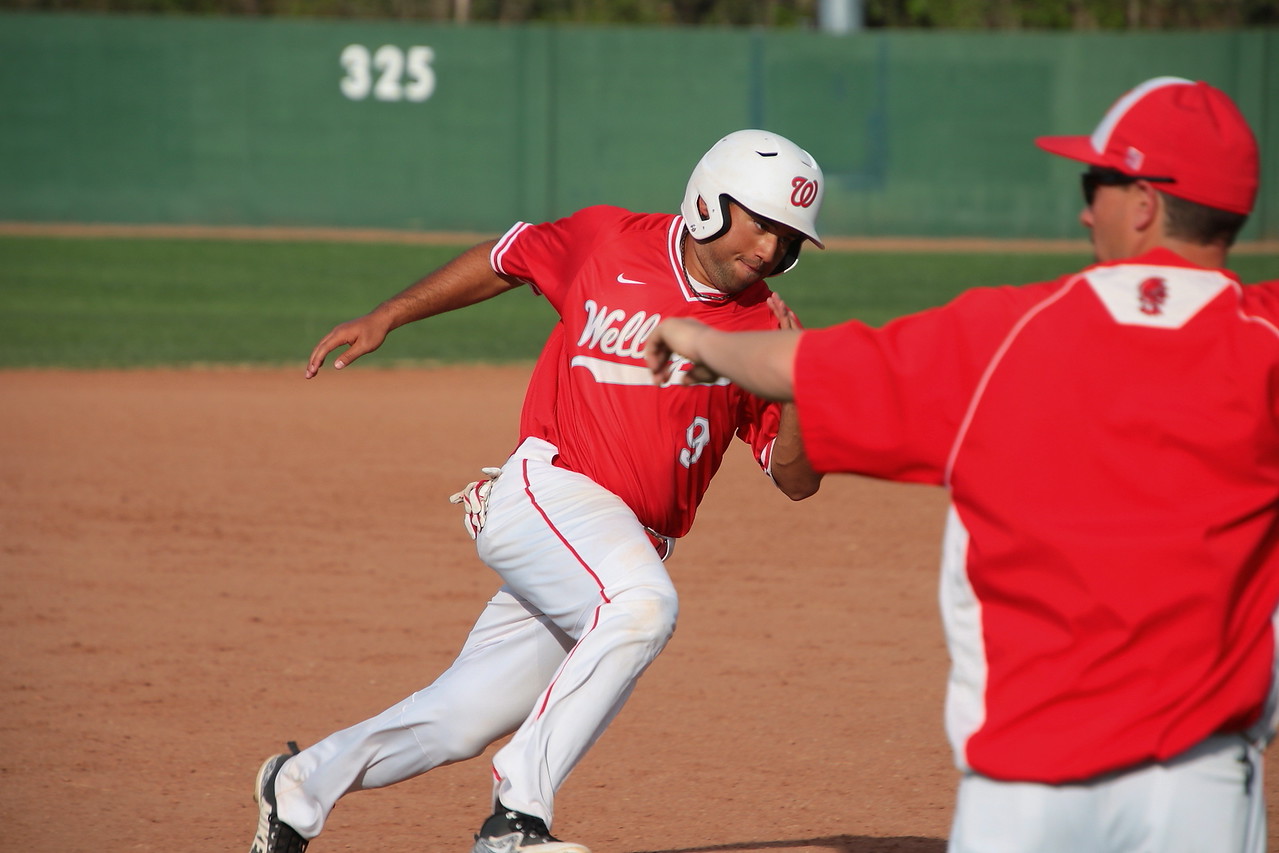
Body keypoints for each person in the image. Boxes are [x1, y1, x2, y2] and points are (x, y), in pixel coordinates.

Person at [643, 77, 1278, 852]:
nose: (1085, 208)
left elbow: (814, 365)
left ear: (1142, 204)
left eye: (1095, 183)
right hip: (1205, 789)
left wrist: (699, 342)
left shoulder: (1005, 337)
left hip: (1025, 788)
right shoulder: (1266, 344)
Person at [248, 128, 827, 853]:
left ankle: (298, 784)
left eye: (789, 237)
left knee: (458, 716)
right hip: (549, 489)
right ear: (710, 200)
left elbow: (796, 479)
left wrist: (801, 384)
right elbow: (505, 258)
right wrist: (389, 313)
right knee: (642, 606)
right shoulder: (607, 240)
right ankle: (517, 817)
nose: (771, 249)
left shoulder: (763, 329)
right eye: (761, 223)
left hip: (614, 546)